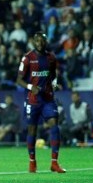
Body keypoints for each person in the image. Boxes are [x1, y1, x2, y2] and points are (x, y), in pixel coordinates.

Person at [16, 32, 66, 173]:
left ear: (45, 41)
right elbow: (19, 80)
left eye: (42, 40)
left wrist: (55, 84)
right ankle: (32, 162)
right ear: (33, 41)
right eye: (37, 40)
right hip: (32, 100)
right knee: (32, 129)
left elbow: (53, 75)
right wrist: (31, 87)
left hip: (48, 99)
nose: (40, 43)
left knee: (54, 126)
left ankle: (54, 163)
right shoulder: (27, 58)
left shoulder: (51, 57)